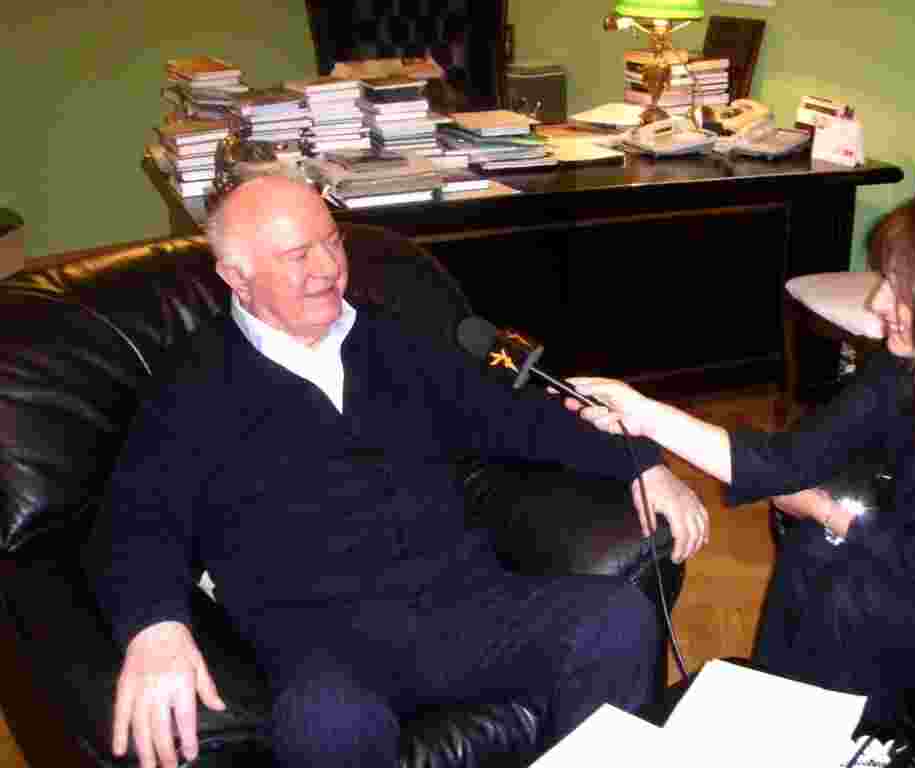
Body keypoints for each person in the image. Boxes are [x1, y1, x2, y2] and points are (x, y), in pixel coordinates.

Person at [85, 175, 708, 768]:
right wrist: (154, 625)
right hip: (325, 648)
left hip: (466, 606)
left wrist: (640, 462)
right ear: (237, 278)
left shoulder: (400, 341)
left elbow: (520, 419)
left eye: (332, 241)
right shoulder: (192, 387)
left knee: (616, 620)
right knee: (326, 724)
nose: (328, 268)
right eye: (298, 254)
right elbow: (139, 518)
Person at [565, 189, 915, 715]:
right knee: (809, 552)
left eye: (902, 292)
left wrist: (832, 513)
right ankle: (769, 713)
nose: (876, 304)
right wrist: (644, 414)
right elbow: (781, 461)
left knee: (852, 595)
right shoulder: (909, 369)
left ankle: (840, 735)